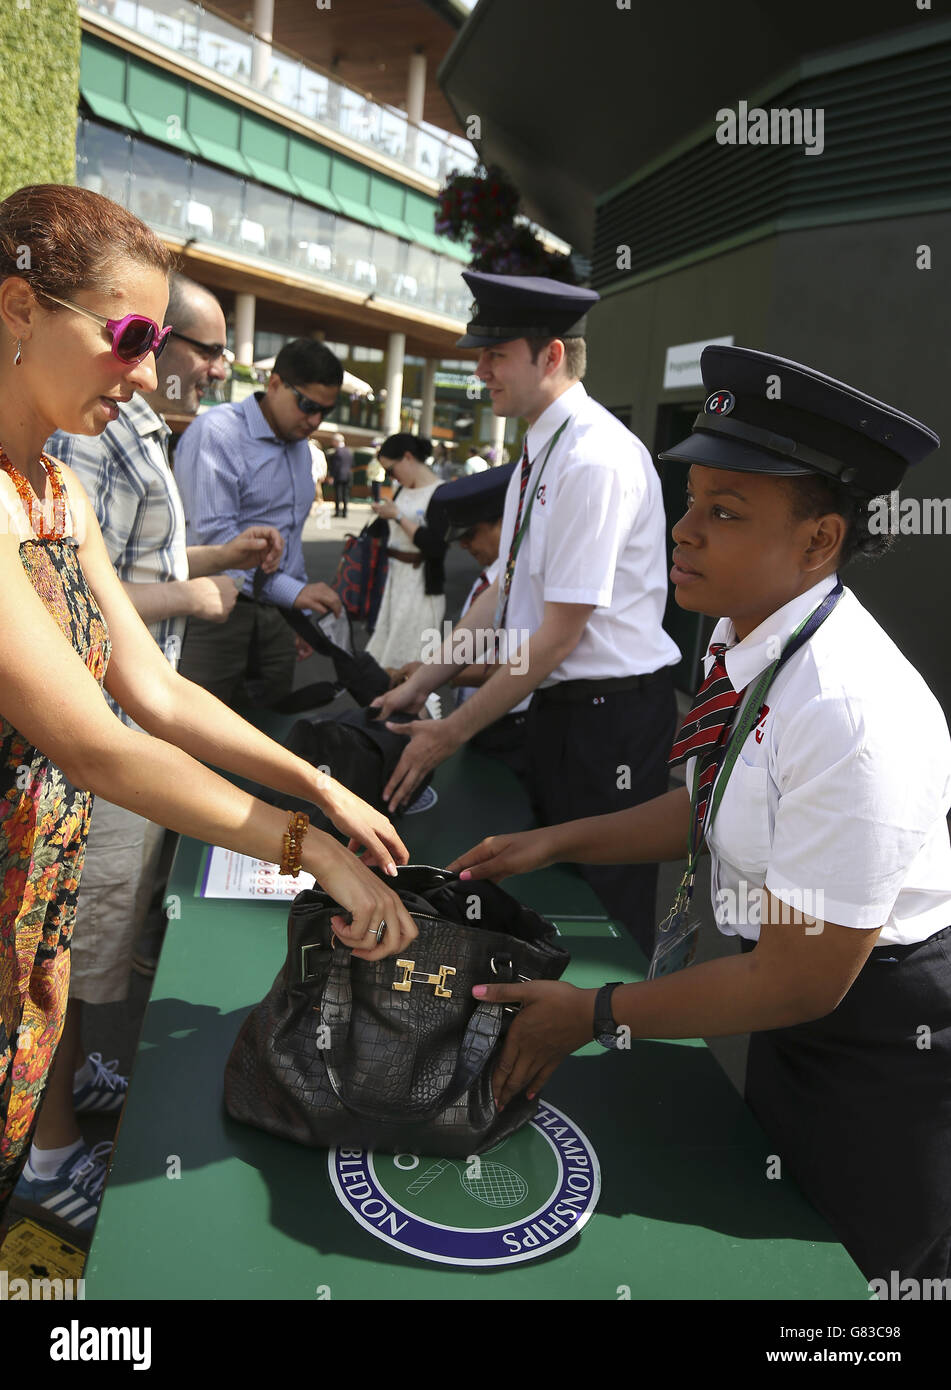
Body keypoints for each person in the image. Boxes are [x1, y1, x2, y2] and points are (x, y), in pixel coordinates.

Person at [450, 345, 951, 1286]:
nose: (683, 532)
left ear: (817, 541)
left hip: (879, 1031)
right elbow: (707, 808)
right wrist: (554, 840)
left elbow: (802, 978)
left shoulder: (849, 709)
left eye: (724, 513)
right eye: (690, 502)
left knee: (854, 1275)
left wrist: (593, 1013)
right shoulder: (745, 635)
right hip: (793, 1007)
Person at [0, 183, 417, 1227]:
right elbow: (99, 743)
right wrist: (308, 846)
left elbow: (154, 690)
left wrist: (315, 783)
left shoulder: (55, 488)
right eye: (129, 335)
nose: (146, 374)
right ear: (19, 308)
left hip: (30, 890)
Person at [373, 272, 681, 953]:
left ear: (549, 357)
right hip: (562, 712)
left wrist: (446, 732)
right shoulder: (538, 452)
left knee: (598, 913)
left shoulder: (593, 458)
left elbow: (557, 638)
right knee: (547, 900)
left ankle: (608, 1044)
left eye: (494, 354)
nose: (478, 369)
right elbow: (500, 593)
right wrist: (424, 681)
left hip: (608, 722)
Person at [174, 338, 347, 708]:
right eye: (308, 405)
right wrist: (294, 594)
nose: (315, 420)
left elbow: (292, 536)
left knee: (270, 728)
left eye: (324, 412)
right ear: (274, 384)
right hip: (216, 611)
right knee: (198, 731)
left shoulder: (300, 446)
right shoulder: (218, 434)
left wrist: (296, 609)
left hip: (278, 617)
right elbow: (215, 540)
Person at [365, 433, 446, 673]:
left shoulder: (440, 492)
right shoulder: (402, 489)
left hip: (421, 586)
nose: (391, 477)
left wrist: (398, 517)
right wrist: (385, 515)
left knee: (413, 662)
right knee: (386, 658)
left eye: (391, 470)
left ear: (408, 458)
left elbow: (436, 546)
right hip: (394, 581)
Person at [327, 431, 353, 517]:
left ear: (336, 441)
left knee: (338, 495)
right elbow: (352, 464)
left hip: (339, 476)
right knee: (345, 495)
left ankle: (338, 512)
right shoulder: (349, 451)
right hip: (348, 475)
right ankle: (345, 512)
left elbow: (335, 466)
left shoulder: (337, 452)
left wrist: (331, 476)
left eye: (333, 441)